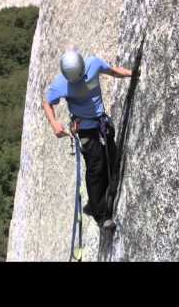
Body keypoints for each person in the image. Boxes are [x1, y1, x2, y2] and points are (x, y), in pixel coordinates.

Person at [43, 49, 135, 229]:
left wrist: (133, 73)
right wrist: (54, 124)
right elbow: (47, 102)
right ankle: (101, 216)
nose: (76, 82)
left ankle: (95, 202)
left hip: (101, 123)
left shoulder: (93, 64)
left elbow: (113, 71)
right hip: (85, 129)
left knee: (112, 157)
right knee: (96, 167)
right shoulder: (62, 84)